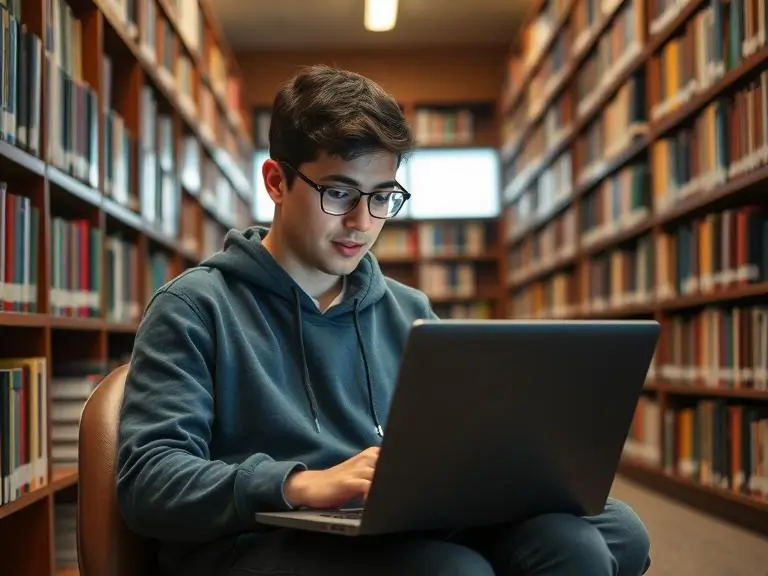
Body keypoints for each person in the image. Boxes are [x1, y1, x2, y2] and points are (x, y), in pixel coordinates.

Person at [115, 64, 652, 576]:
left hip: (388, 523)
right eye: (339, 192)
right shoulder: (193, 307)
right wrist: (300, 484)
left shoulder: (409, 310)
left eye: (382, 197)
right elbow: (149, 481)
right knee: (454, 571)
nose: (362, 221)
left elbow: (455, 445)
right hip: (258, 539)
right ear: (276, 182)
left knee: (600, 536)